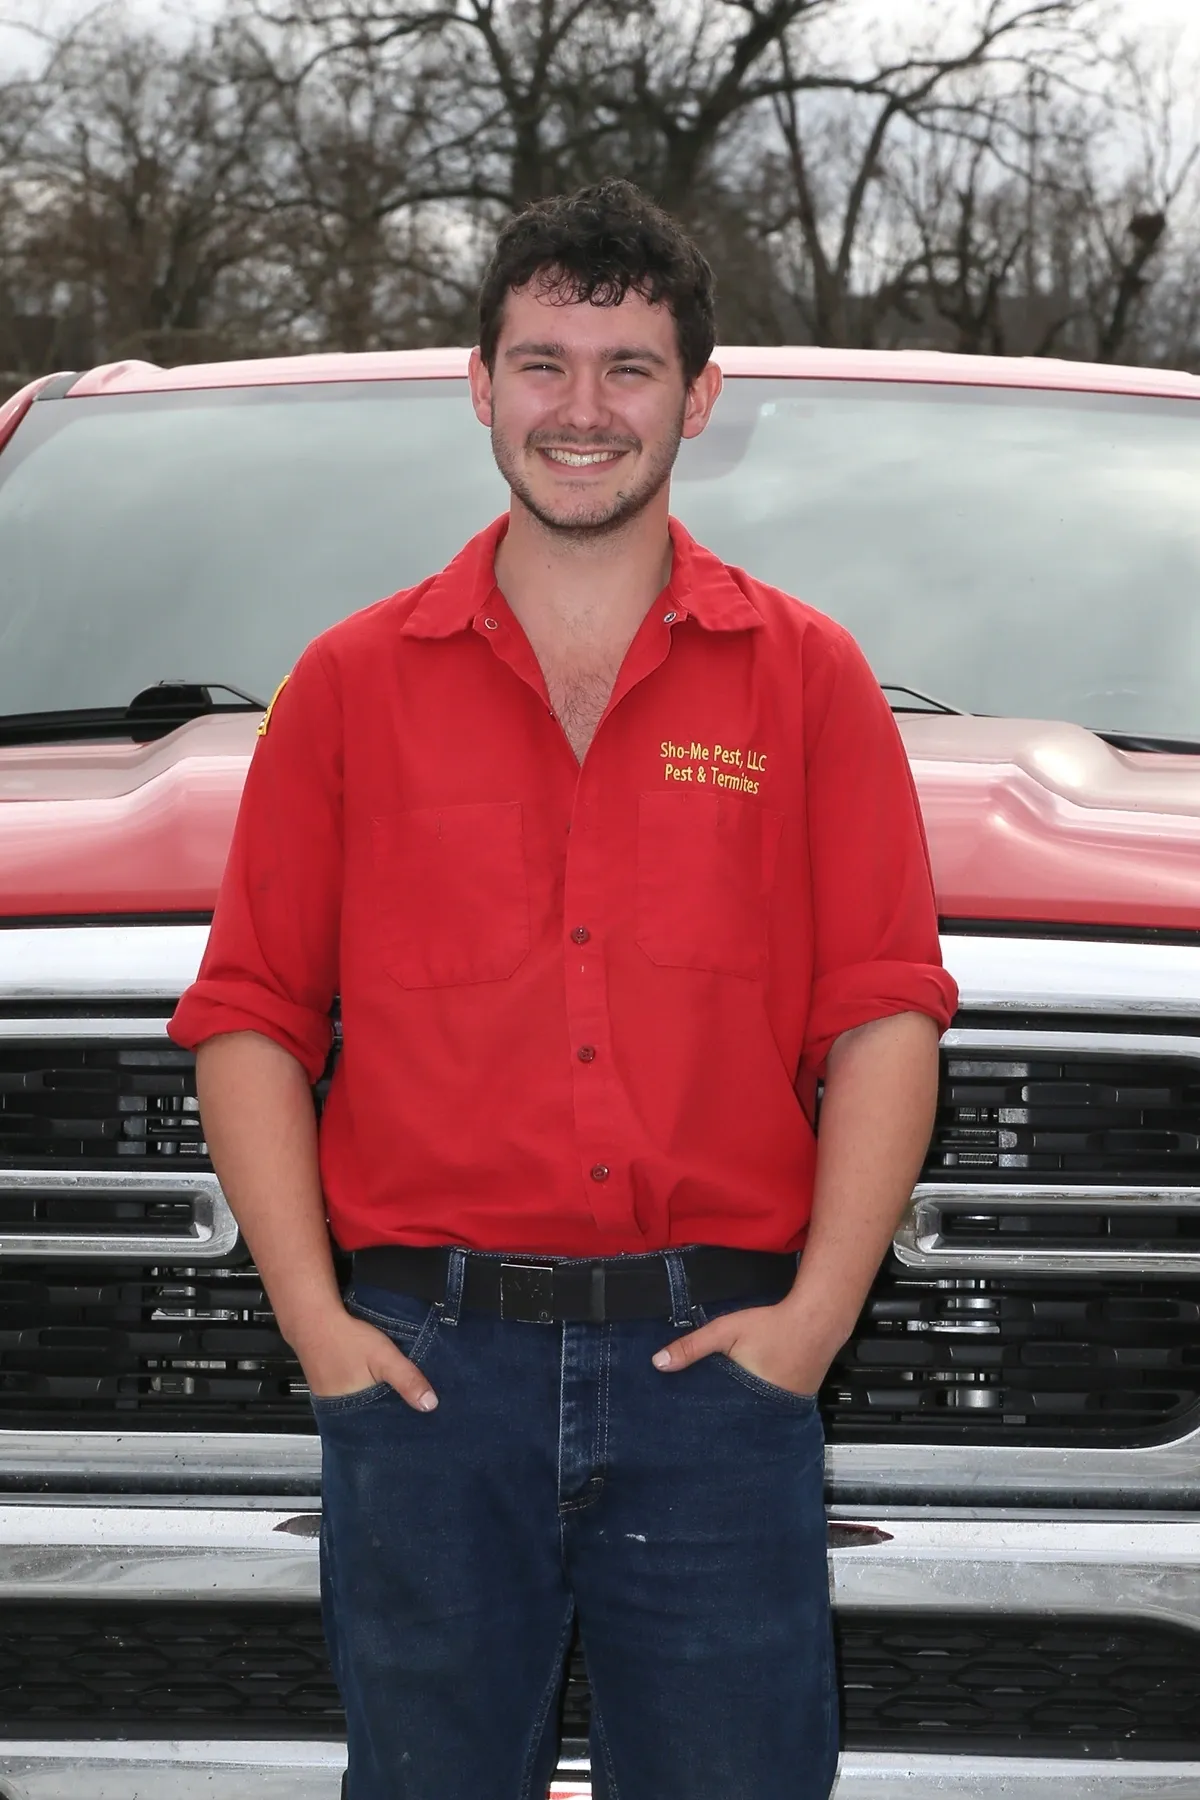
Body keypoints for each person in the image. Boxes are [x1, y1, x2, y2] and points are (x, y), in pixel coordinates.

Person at [169, 178, 958, 1800]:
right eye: (543, 363)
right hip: (425, 1378)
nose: (581, 410)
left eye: (629, 368)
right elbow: (248, 1014)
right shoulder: (346, 689)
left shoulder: (809, 682)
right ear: (480, 386)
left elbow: (883, 1015)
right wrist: (318, 1328)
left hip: (716, 1378)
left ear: (701, 398)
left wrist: (811, 1326)